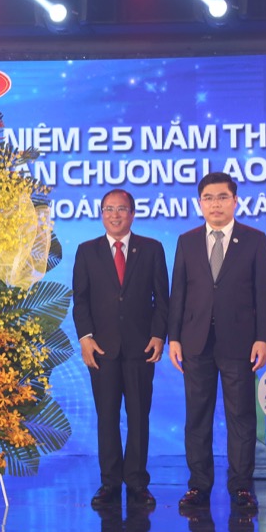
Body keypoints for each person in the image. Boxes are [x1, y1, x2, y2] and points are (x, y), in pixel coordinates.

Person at [168, 171, 266, 514]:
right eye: (208, 198)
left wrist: (263, 338)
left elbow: (263, 294)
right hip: (195, 342)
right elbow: (178, 293)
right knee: (197, 417)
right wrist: (174, 338)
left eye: (222, 197)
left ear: (235, 201)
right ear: (200, 203)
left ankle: (241, 486)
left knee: (241, 417)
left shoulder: (254, 240)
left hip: (239, 342)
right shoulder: (186, 241)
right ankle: (198, 485)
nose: (215, 204)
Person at [72, 189, 169, 509]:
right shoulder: (87, 251)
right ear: (101, 214)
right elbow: (81, 300)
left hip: (142, 348)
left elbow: (162, 299)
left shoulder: (152, 249)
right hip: (102, 349)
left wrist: (158, 335)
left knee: (139, 416)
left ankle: (138, 482)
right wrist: (85, 338)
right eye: (109, 209)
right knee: (107, 417)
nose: (115, 215)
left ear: (132, 214)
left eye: (121, 209)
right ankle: (110, 482)